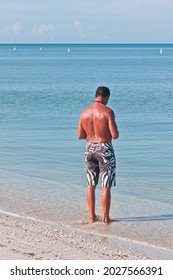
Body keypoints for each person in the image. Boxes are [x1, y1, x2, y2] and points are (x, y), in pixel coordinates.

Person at [78, 86, 119, 223]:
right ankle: (106, 218)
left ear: (96, 96)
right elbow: (115, 135)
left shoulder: (84, 113)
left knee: (91, 184)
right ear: (107, 97)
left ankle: (92, 217)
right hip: (105, 149)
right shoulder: (108, 112)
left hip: (89, 148)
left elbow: (80, 135)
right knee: (105, 185)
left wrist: (92, 136)